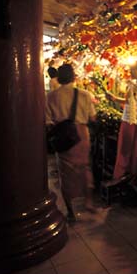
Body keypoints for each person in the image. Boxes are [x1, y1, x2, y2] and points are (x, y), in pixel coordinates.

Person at [46, 64, 97, 221]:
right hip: (81, 135)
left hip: (64, 137)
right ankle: (88, 201)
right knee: (84, 168)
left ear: (59, 77)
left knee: (65, 173)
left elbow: (48, 121)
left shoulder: (51, 96)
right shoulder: (85, 95)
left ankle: (71, 212)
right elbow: (92, 117)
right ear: (74, 76)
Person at [106, 60, 137, 185]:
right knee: (124, 148)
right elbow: (127, 101)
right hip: (127, 119)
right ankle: (120, 176)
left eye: (133, 70)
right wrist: (114, 99)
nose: (131, 72)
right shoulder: (132, 84)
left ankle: (135, 176)